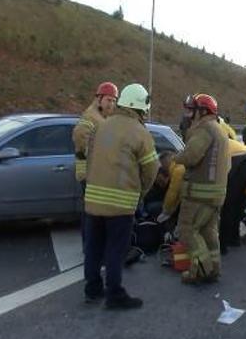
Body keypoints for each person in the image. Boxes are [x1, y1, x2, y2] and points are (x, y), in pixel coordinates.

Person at [82, 83, 159, 310]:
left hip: (93, 201)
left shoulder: (100, 126)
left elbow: (89, 161)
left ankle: (92, 289)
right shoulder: (140, 133)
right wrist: (141, 192)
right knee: (115, 250)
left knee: (93, 248)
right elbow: (151, 169)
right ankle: (115, 294)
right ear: (138, 107)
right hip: (120, 205)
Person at [175, 93, 230, 284]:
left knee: (187, 230)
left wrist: (175, 158)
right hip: (216, 194)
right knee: (208, 232)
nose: (189, 115)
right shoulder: (219, 130)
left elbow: (191, 156)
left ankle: (202, 271)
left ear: (203, 111)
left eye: (192, 110)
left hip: (198, 194)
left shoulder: (204, 130)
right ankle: (214, 268)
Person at [72, 82, 119, 248]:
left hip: (94, 172)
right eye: (108, 100)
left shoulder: (101, 118)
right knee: (91, 214)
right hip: (89, 173)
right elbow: (79, 137)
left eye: (114, 101)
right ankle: (90, 246)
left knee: (91, 212)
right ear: (99, 99)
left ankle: (90, 245)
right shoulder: (91, 117)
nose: (111, 104)